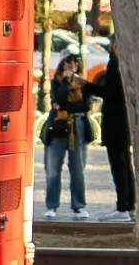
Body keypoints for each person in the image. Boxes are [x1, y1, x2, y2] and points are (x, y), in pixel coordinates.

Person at [39, 47, 92, 217]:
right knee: (53, 169)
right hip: (58, 127)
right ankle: (51, 206)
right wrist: (67, 82)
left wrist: (65, 107)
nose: (73, 64)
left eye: (76, 61)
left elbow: (85, 106)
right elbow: (58, 98)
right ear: (62, 63)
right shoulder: (57, 82)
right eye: (69, 60)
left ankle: (79, 205)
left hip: (78, 126)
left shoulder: (83, 83)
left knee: (78, 169)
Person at [87, 47, 132, 217]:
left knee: (119, 165)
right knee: (125, 165)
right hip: (124, 121)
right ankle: (129, 204)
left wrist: (86, 86)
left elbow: (110, 92)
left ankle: (123, 207)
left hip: (115, 122)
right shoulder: (127, 62)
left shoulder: (115, 64)